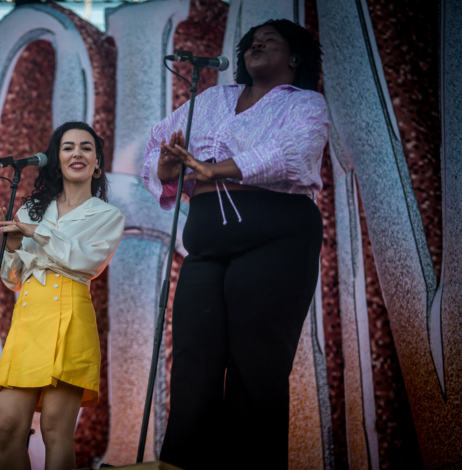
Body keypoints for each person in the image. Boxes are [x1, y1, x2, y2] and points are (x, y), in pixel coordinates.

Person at [142, 19, 329, 469]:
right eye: (252, 41)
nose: (257, 44)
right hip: (207, 243)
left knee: (256, 366)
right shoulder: (212, 99)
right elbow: (157, 143)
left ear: (295, 58)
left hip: (277, 232)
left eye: (272, 40)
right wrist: (168, 166)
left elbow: (296, 151)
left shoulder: (306, 103)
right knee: (193, 361)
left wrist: (218, 168)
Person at [0, 121, 125, 470]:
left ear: (97, 163)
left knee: (54, 429)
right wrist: (14, 246)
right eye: (68, 147)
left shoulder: (108, 215)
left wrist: (38, 233)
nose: (77, 153)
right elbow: (12, 279)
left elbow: (86, 262)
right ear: (56, 158)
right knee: (7, 428)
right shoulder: (31, 209)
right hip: (29, 318)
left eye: (86, 147)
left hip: (71, 316)